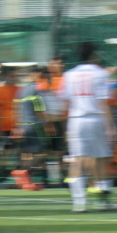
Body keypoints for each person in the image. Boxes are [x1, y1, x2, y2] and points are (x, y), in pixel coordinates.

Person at [59, 42, 117, 212]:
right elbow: (103, 101)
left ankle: (79, 203)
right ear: (94, 55)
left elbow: (65, 101)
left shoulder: (69, 74)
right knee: (101, 159)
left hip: (75, 119)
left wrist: (66, 126)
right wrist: (110, 126)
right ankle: (103, 201)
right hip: (96, 119)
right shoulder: (101, 73)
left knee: (77, 160)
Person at [12, 65, 51, 191]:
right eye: (41, 75)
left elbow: (16, 109)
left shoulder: (20, 91)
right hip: (34, 126)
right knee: (43, 153)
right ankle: (22, 171)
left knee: (26, 155)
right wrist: (47, 124)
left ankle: (27, 182)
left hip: (22, 126)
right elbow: (39, 111)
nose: (43, 78)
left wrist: (18, 126)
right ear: (35, 74)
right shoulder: (35, 90)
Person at [47, 55, 68, 184]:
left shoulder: (67, 79)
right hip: (50, 120)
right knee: (50, 150)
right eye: (56, 63)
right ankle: (51, 176)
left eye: (61, 63)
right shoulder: (46, 80)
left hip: (65, 119)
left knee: (63, 150)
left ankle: (62, 176)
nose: (59, 66)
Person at [0, 66, 19, 172]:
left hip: (17, 124)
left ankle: (16, 169)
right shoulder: (1, 90)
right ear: (7, 76)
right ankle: (2, 170)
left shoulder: (19, 90)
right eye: (11, 76)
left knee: (17, 148)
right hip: (5, 124)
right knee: (4, 149)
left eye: (15, 76)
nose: (13, 78)